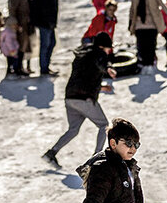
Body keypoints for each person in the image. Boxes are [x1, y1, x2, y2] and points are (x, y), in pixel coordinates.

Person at [42, 32, 116, 170]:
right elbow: (101, 62)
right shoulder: (98, 53)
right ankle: (96, 160)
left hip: (70, 97)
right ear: (102, 46)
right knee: (104, 126)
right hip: (84, 98)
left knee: (73, 130)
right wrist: (108, 68)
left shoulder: (83, 54)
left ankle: (52, 152)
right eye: (107, 48)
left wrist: (100, 87)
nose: (108, 51)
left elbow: (84, 77)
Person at [129, 0, 167, 71]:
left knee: (150, 45)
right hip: (139, 24)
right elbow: (132, 10)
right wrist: (130, 22)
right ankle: (144, 63)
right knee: (141, 45)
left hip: (152, 24)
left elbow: (161, 4)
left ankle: (150, 64)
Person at [32, 0, 58, 76]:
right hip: (45, 22)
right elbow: (43, 6)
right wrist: (46, 20)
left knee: (52, 43)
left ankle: (46, 66)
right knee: (45, 45)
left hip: (50, 22)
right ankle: (43, 68)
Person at [7, 0, 32, 77]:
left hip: (25, 26)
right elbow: (12, 11)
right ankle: (16, 67)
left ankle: (20, 67)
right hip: (17, 27)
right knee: (17, 47)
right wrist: (16, 25)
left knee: (23, 47)